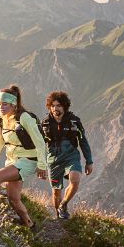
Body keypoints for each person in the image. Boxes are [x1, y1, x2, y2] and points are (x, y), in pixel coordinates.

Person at [0, 85, 47, 228]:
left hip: (28, 160)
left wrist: (42, 165)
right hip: (12, 161)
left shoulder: (24, 117)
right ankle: (30, 225)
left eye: (5, 104)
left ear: (13, 104)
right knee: (14, 198)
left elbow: (40, 142)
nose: (1, 107)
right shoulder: (0, 118)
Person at [42, 91, 93, 219]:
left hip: (71, 156)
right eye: (52, 106)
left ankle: (63, 205)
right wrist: (39, 164)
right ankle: (58, 217)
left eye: (58, 105)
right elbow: (38, 144)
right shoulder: (45, 124)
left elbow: (83, 141)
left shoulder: (74, 122)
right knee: (56, 192)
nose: (55, 108)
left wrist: (89, 161)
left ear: (64, 106)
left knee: (75, 179)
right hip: (53, 160)